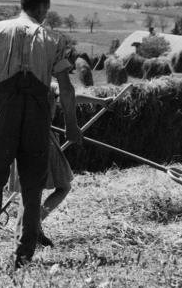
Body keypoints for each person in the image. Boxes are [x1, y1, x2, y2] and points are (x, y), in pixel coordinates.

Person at [0, 0, 110, 269]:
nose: (46, 15)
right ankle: (22, 259)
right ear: (40, 9)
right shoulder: (54, 40)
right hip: (36, 115)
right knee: (32, 186)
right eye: (46, 10)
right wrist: (73, 127)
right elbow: (65, 89)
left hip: (2, 111)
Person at [8, 82, 108, 248]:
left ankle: (32, 227)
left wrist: (100, 100)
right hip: (41, 139)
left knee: (31, 190)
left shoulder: (18, 82)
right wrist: (100, 101)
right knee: (62, 187)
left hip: (19, 138)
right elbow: (70, 96)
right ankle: (33, 226)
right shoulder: (47, 83)